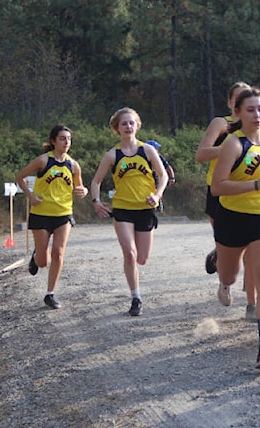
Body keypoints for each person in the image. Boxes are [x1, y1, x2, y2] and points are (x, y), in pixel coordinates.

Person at [210, 87, 260, 370]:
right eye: (250, 110)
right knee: (230, 275)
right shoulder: (233, 143)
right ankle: (220, 265)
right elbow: (218, 186)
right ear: (238, 113)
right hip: (232, 218)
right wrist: (256, 185)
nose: (257, 115)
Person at [90, 108, 168, 317]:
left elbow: (163, 176)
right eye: (124, 124)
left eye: (131, 123)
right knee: (130, 254)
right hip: (123, 209)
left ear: (137, 125)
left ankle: (136, 292)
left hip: (146, 209)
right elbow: (96, 180)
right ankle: (136, 298)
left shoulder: (148, 151)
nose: (128, 127)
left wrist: (158, 195)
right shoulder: (112, 155)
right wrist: (96, 201)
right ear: (117, 128)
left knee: (142, 258)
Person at [16, 125, 88, 309]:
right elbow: (20, 177)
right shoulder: (42, 161)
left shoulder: (73, 165)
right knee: (43, 262)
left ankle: (50, 294)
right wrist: (31, 196)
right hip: (41, 214)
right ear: (53, 141)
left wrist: (84, 191)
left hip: (63, 214)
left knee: (58, 253)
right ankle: (37, 255)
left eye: (69, 139)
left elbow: (79, 188)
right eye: (62, 138)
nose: (66, 142)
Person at [195, 81, 251, 276]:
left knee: (251, 242)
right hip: (218, 189)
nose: (243, 101)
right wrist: (229, 150)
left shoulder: (256, 128)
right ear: (230, 102)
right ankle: (222, 266)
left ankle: (252, 291)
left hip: (248, 189)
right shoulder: (222, 123)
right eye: (238, 97)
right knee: (227, 240)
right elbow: (200, 155)